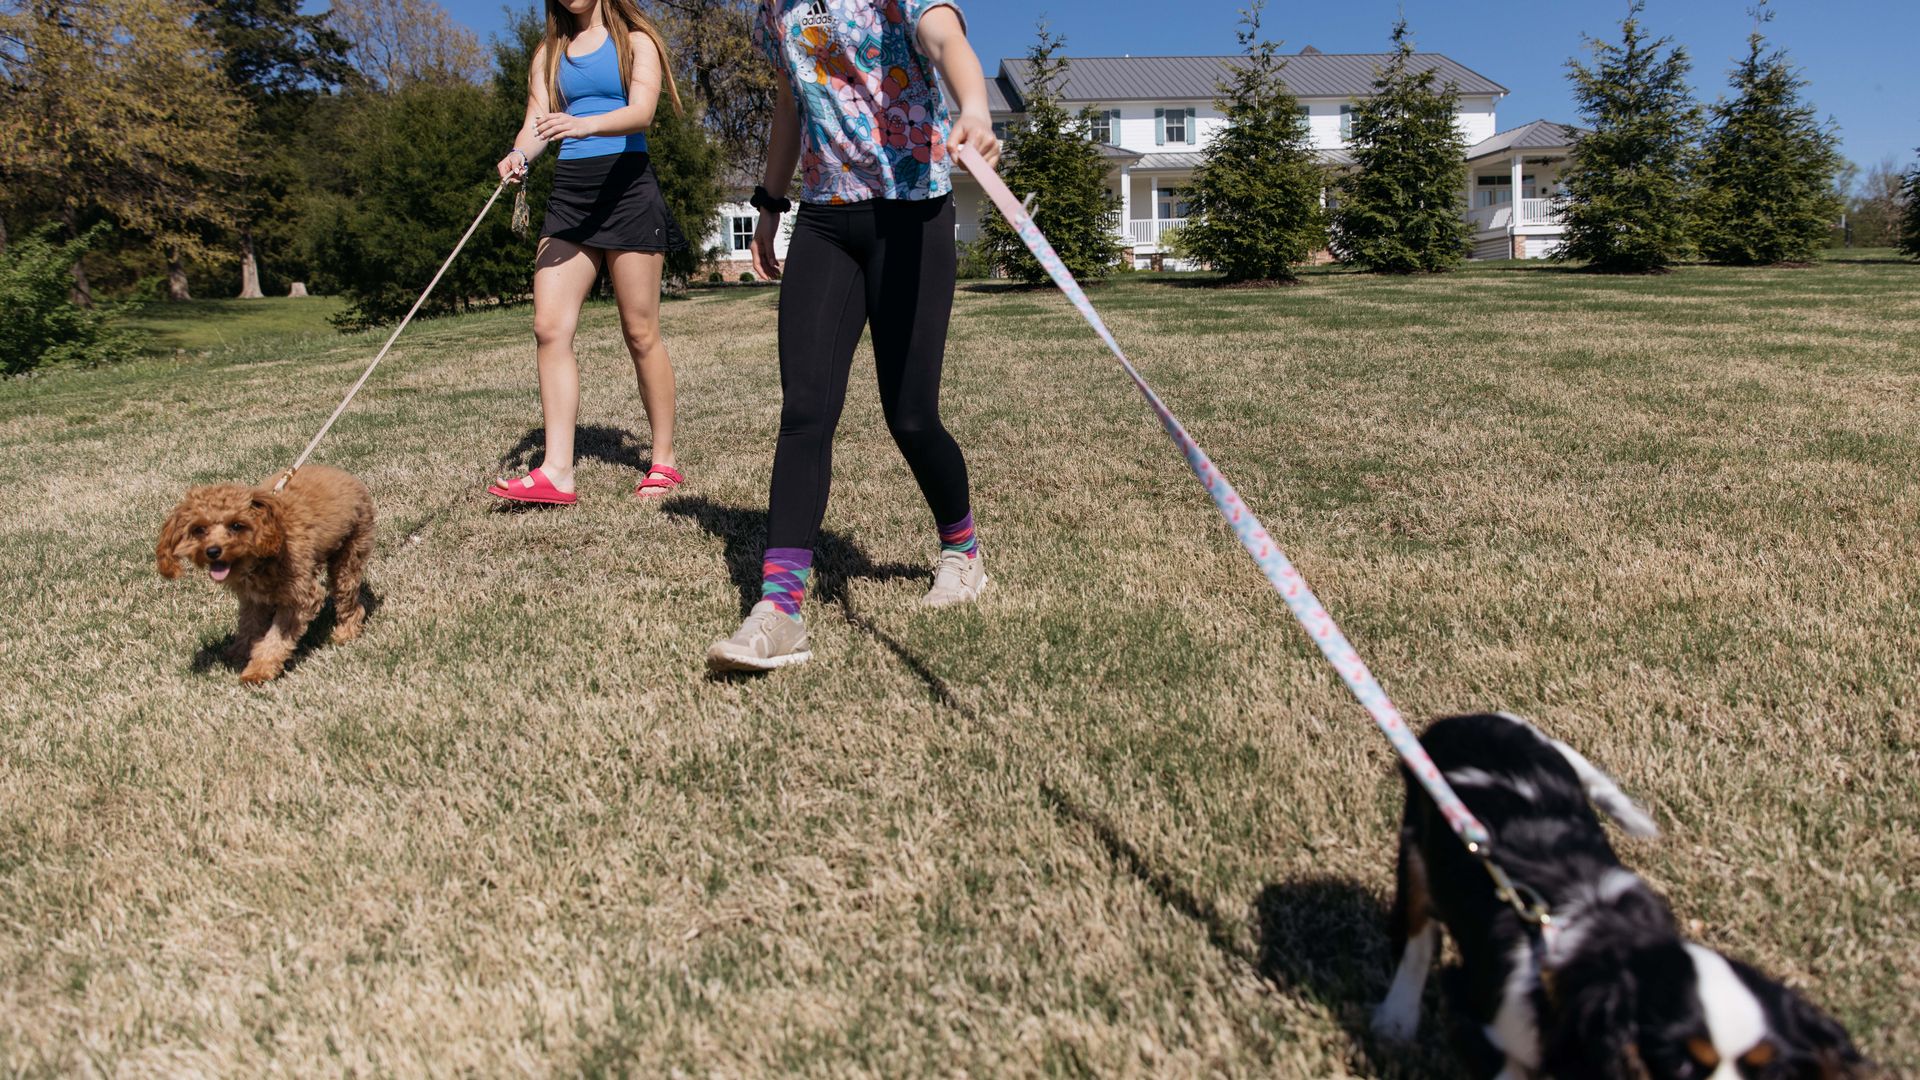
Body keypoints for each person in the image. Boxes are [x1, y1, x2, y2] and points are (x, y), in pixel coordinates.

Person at [706, 0, 999, 672]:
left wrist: (974, 109)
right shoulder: (774, 9)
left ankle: (962, 551)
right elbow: (791, 99)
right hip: (827, 219)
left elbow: (943, 35)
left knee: (912, 415)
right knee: (805, 411)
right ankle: (777, 611)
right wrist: (771, 205)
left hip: (912, 214)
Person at [488, 0, 688, 506]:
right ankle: (557, 472)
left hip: (626, 188)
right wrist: (518, 156)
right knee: (549, 327)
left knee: (640, 331)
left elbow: (642, 112)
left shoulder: (635, 42)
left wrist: (582, 125)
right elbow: (536, 124)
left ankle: (662, 460)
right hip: (571, 196)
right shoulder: (548, 54)